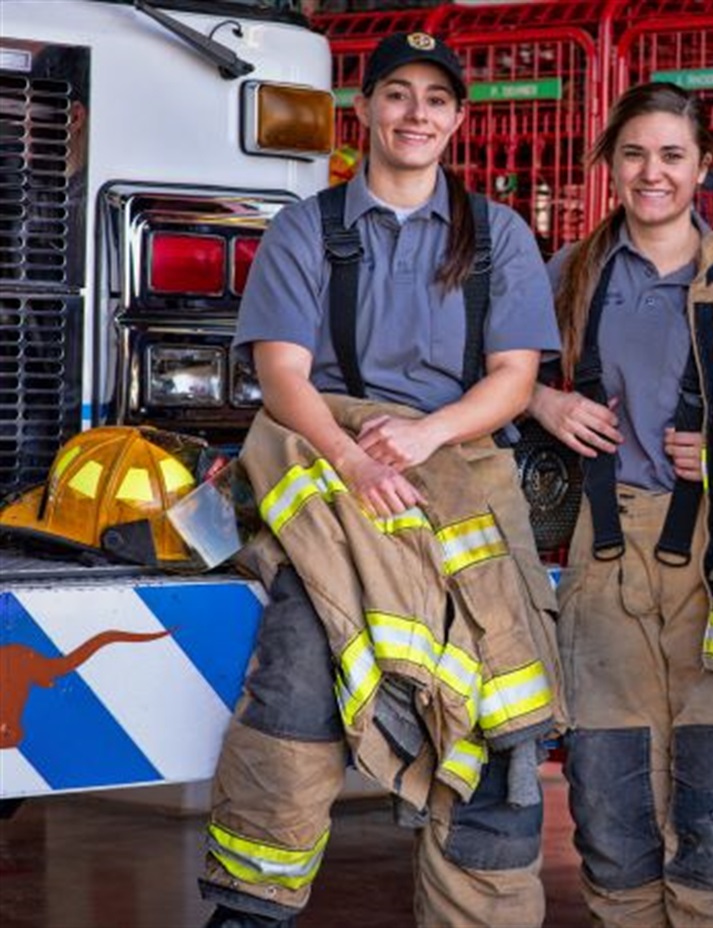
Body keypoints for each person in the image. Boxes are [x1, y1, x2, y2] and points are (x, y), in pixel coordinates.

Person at [199, 32, 563, 928]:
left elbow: (514, 375)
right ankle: (252, 908)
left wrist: (423, 436)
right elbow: (283, 376)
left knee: (507, 696)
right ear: (362, 111)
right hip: (328, 461)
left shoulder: (499, 235)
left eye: (435, 100)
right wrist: (358, 457)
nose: (416, 114)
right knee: (297, 667)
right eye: (396, 95)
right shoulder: (307, 229)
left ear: (458, 119)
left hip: (463, 465)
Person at [528, 81, 713, 927]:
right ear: (609, 166)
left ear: (703, 168)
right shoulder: (573, 271)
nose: (652, 173)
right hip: (606, 558)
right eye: (634, 153)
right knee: (610, 780)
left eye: (672, 155)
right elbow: (496, 373)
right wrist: (546, 403)